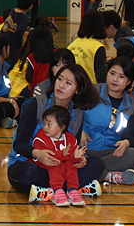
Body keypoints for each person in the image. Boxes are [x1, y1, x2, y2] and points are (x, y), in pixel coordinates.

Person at [7, 64, 104, 199]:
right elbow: (19, 145)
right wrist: (37, 153)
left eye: (68, 83)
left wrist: (79, 158)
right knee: (27, 172)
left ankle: (52, 191)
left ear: (78, 89)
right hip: (30, 164)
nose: (61, 85)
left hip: (60, 168)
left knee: (97, 164)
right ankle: (71, 189)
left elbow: (72, 149)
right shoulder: (36, 104)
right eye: (59, 79)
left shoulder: (77, 114)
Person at [81, 57, 134, 185]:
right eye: (112, 73)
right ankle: (109, 176)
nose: (115, 79)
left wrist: (126, 142)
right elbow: (73, 113)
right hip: (84, 150)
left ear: (129, 81)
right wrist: (79, 131)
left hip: (111, 153)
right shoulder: (90, 92)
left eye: (121, 77)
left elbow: (133, 134)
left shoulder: (133, 106)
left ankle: (91, 171)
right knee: (72, 157)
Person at [32, 106, 87, 206]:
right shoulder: (40, 138)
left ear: (62, 127)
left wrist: (76, 157)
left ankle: (72, 190)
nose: (45, 127)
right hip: (44, 167)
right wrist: (62, 154)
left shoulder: (70, 138)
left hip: (63, 169)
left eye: (49, 124)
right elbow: (47, 158)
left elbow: (72, 159)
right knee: (56, 163)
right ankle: (57, 191)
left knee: (71, 165)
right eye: (44, 123)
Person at [67, 10, 107, 84]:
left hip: (71, 85)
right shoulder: (98, 47)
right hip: (90, 87)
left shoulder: (71, 45)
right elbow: (101, 77)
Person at [2, 0, 34, 68]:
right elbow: (20, 32)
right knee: (10, 65)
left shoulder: (13, 11)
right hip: (13, 46)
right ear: (30, 6)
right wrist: (32, 34)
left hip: (3, 41)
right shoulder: (24, 17)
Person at [24, 27, 56, 96]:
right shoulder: (57, 54)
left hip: (37, 94)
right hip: (53, 93)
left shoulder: (31, 57)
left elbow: (28, 78)